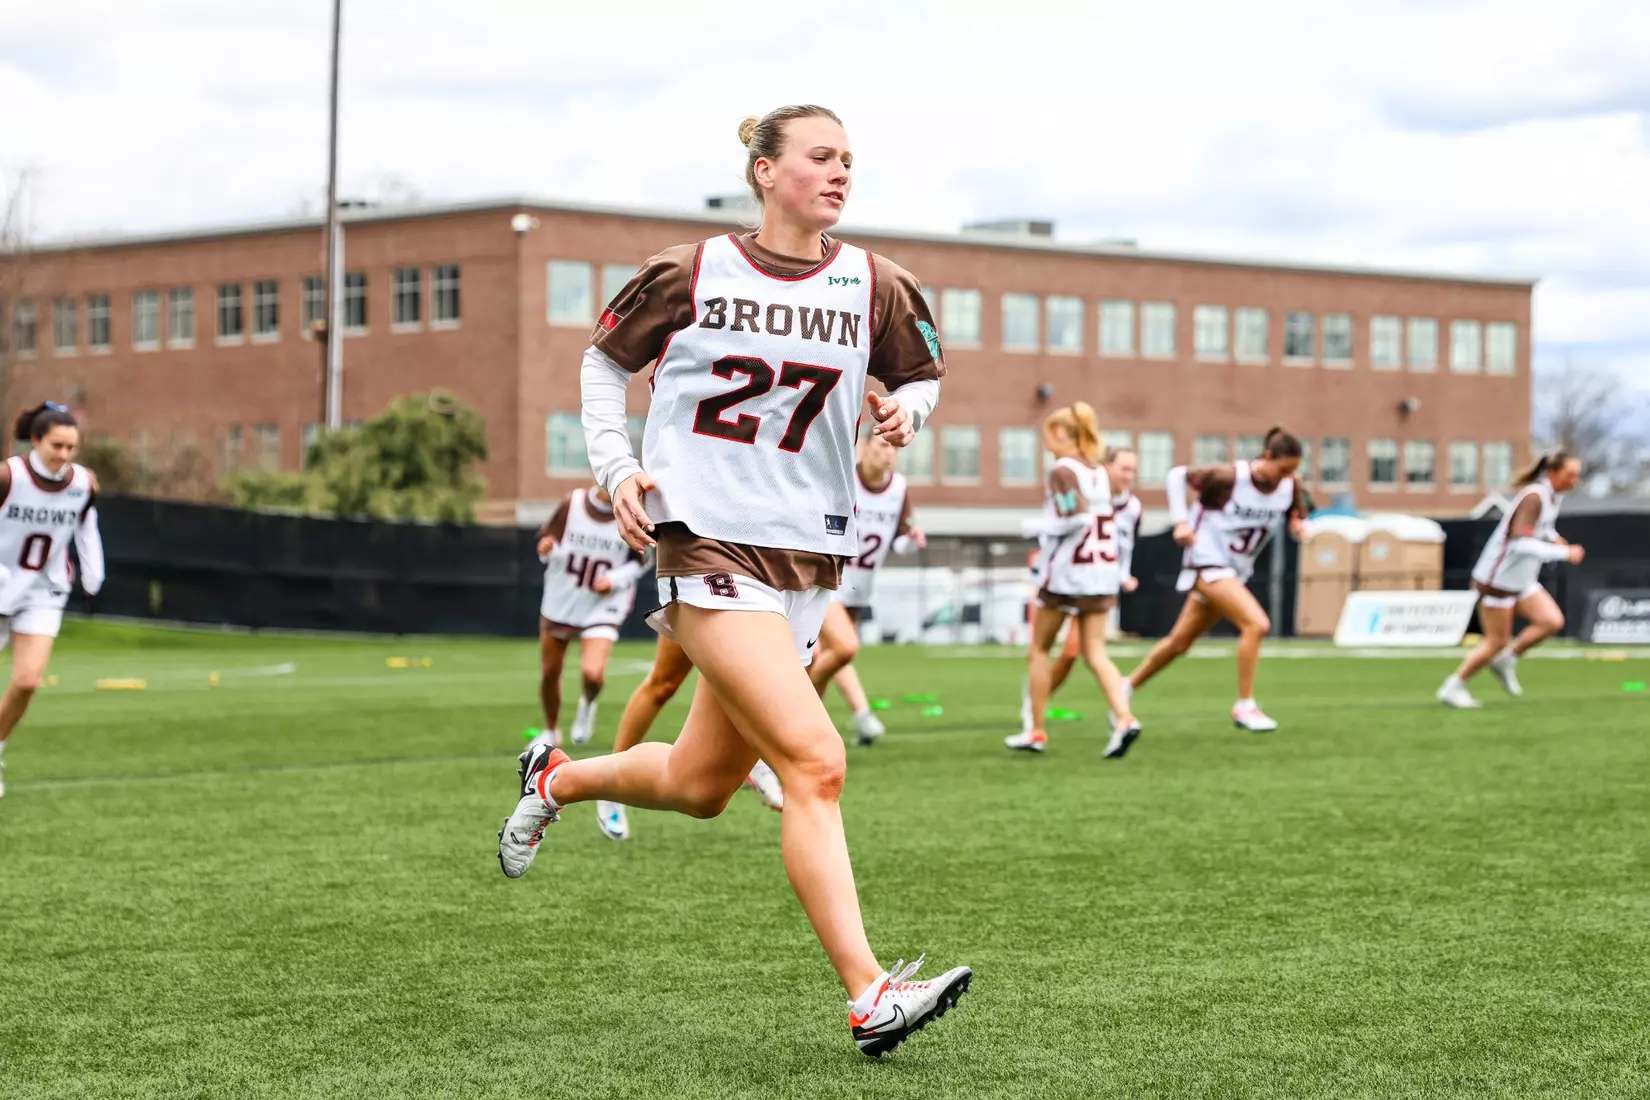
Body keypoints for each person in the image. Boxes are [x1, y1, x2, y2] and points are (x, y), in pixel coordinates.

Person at [495, 104, 970, 1056]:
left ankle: (557, 777)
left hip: (808, 552)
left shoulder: (875, 281)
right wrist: (618, 469)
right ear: (764, 170)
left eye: (850, 160)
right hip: (708, 542)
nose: (841, 173)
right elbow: (601, 363)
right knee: (816, 762)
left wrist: (905, 415)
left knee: (702, 782)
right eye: (821, 157)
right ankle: (869, 994)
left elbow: (923, 374)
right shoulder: (692, 268)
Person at [1125, 428, 1305, 732]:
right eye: (1283, 468)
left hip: (1234, 570)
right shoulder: (1230, 477)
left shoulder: (1290, 486)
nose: (1285, 476)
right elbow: (1176, 476)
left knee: (1180, 643)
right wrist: (1181, 522)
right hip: (1205, 561)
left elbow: (1298, 511)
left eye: (1292, 471)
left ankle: (1125, 687)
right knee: (1257, 624)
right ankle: (1244, 705)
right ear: (1267, 456)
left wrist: (1298, 523)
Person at [1006, 404, 1141, 757]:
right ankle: (1125, 718)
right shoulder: (1098, 469)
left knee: (1038, 649)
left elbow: (1076, 518)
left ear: (1064, 434)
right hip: (1101, 573)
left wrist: (1034, 527)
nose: (1046, 444)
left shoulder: (1063, 469)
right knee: (1096, 653)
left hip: (1067, 573)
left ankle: (1035, 730)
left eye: (1049, 435)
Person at [0, 403, 105, 798]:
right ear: (37, 441)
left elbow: (86, 526)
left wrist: (94, 573)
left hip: (43, 590)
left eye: (71, 447)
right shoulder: (9, 476)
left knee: (27, 681)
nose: (63, 455)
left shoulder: (83, 483)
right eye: (56, 446)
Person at [594, 634, 784, 841]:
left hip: (770, 605)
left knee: (750, 672)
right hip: (703, 602)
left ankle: (752, 759)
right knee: (664, 684)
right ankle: (611, 782)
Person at [1438, 451, 1585, 708]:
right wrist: (1563, 552)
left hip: (1522, 579)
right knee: (1497, 641)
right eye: (1570, 475)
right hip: (1498, 581)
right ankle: (1453, 686)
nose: (1575, 481)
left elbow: (1542, 528)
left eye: (1576, 476)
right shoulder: (1533, 497)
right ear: (1552, 473)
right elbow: (1519, 543)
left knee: (1551, 621)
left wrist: (1553, 538)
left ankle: (1507, 660)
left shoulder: (1553, 496)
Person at [808, 430, 924, 745]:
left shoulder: (899, 488)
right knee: (844, 648)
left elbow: (899, 538)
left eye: (895, 449)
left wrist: (912, 541)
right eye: (883, 445)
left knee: (832, 657)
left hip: (861, 588)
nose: (888, 454)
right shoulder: (845, 478)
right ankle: (804, 714)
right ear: (865, 446)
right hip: (830, 580)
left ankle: (824, 721)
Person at [529, 485, 648, 750]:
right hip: (564, 597)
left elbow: (643, 559)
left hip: (603, 603)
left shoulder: (634, 510)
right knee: (550, 671)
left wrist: (614, 580)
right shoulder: (572, 502)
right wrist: (546, 548)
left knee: (592, 674)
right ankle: (551, 731)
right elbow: (547, 542)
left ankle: (588, 702)